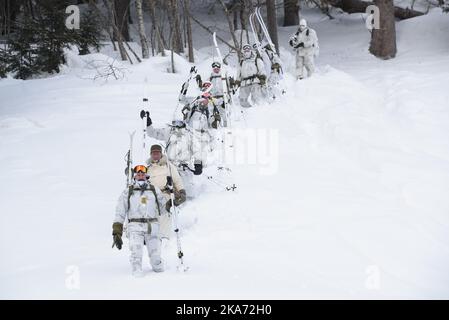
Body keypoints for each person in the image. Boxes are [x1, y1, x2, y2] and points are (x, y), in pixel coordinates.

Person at [112, 165, 168, 277]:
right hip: (135, 226)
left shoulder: (154, 190)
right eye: (138, 174)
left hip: (152, 226)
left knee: (156, 260)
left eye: (143, 174)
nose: (141, 176)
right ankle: (136, 281)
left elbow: (164, 208)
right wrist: (117, 229)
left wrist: (171, 203)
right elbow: (120, 211)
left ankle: (162, 278)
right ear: (135, 176)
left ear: (146, 176)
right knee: (136, 254)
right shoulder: (128, 192)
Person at [145, 144, 186, 240]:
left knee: (164, 211)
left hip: (165, 193)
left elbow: (177, 180)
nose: (155, 155)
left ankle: (164, 237)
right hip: (152, 194)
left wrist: (182, 192)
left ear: (161, 154)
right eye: (153, 153)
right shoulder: (148, 169)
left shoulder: (168, 166)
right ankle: (149, 236)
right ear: (151, 154)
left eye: (157, 153)